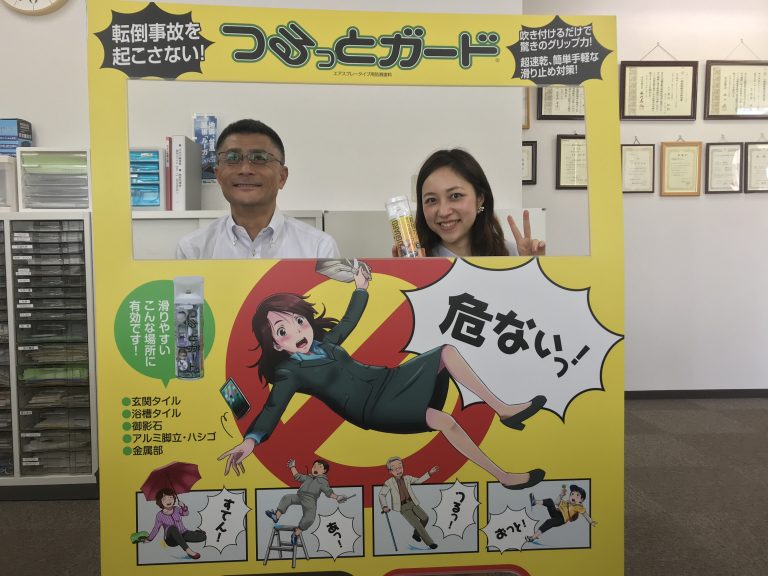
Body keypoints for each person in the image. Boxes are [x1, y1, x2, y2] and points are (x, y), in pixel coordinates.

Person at [218, 263, 546, 490]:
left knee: (446, 351)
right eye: (282, 330)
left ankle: (503, 410)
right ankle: (503, 476)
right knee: (444, 420)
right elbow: (273, 408)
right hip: (372, 409)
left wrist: (361, 288)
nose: (298, 331)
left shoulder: (325, 344)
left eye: (299, 321)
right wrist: (251, 440)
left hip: (388, 380)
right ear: (276, 343)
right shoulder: (289, 372)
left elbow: (349, 321)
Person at [175, 119, 339, 259]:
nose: (245, 169)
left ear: (282, 177)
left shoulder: (319, 249)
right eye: (233, 158)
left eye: (259, 158)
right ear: (218, 175)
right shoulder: (192, 250)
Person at [413, 148, 545, 258]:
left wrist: (533, 267)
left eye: (455, 196)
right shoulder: (418, 261)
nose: (443, 211)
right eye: (431, 200)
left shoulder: (511, 254)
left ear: (480, 199)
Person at [265, 458, 349, 545]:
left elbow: (328, 492)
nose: (316, 468)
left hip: (310, 500)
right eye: (314, 466)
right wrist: (292, 467)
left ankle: (296, 533)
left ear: (324, 471)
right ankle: (276, 516)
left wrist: (337, 497)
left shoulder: (322, 481)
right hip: (299, 496)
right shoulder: (308, 477)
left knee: (309, 518)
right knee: (287, 497)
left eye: (319, 467)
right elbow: (297, 476)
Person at [379, 457, 439, 549]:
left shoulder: (407, 478)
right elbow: (382, 494)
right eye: (395, 469)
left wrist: (430, 473)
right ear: (390, 471)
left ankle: (416, 534)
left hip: (412, 503)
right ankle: (430, 543)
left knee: (425, 518)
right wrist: (384, 506)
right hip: (403, 507)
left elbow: (418, 481)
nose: (398, 470)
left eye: (400, 467)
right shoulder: (389, 482)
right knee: (418, 525)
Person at [142, 488, 206, 560]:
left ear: (174, 499)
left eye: (170, 497)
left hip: (183, 533)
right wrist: (149, 539)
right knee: (173, 528)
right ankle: (189, 551)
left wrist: (183, 506)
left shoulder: (177, 509)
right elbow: (156, 528)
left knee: (203, 537)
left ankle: (190, 537)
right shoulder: (160, 515)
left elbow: (186, 514)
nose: (169, 500)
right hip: (171, 540)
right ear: (160, 502)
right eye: (164, 499)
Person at [526, 484, 597, 543]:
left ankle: (533, 537)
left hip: (561, 519)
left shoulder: (578, 507)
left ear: (581, 499)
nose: (573, 496)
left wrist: (591, 521)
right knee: (550, 501)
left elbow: (585, 514)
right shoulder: (566, 502)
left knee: (549, 522)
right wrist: (561, 495)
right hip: (556, 512)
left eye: (577, 495)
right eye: (572, 494)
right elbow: (556, 502)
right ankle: (534, 502)